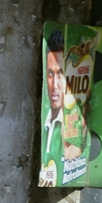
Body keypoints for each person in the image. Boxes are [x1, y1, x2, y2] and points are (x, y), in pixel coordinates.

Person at [40, 28, 66, 186]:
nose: (54, 85)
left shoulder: (73, 126)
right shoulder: (44, 122)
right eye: (50, 74)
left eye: (60, 74)